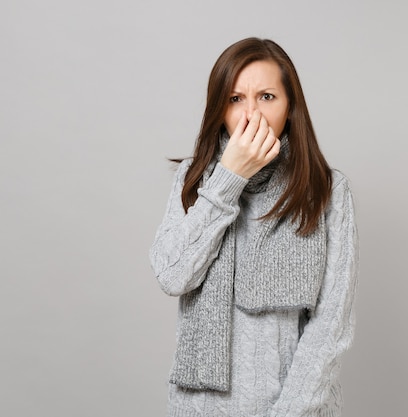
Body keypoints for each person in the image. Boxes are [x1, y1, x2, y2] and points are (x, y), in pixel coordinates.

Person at [150, 37, 359, 417]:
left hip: (294, 409)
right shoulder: (194, 179)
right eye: (235, 99)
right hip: (197, 408)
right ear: (219, 108)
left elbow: (331, 326)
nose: (251, 114)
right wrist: (228, 179)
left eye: (266, 97)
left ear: (290, 106)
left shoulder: (326, 190)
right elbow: (172, 274)